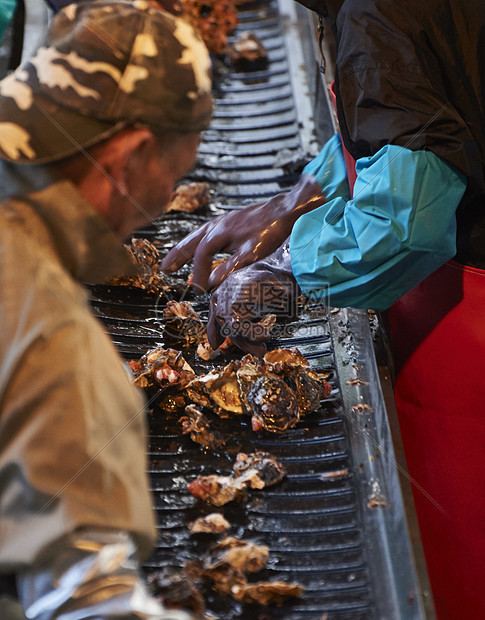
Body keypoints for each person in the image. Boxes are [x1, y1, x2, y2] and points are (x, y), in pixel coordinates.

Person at [162, 0, 485, 617]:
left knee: (458, 566)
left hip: (469, 332)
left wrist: (287, 272)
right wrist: (301, 197)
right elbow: (425, 113)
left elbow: (408, 221)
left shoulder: (379, 13)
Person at [0, 1, 212, 618]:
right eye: (178, 171)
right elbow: (90, 602)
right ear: (130, 157)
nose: (170, 195)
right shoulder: (50, 342)